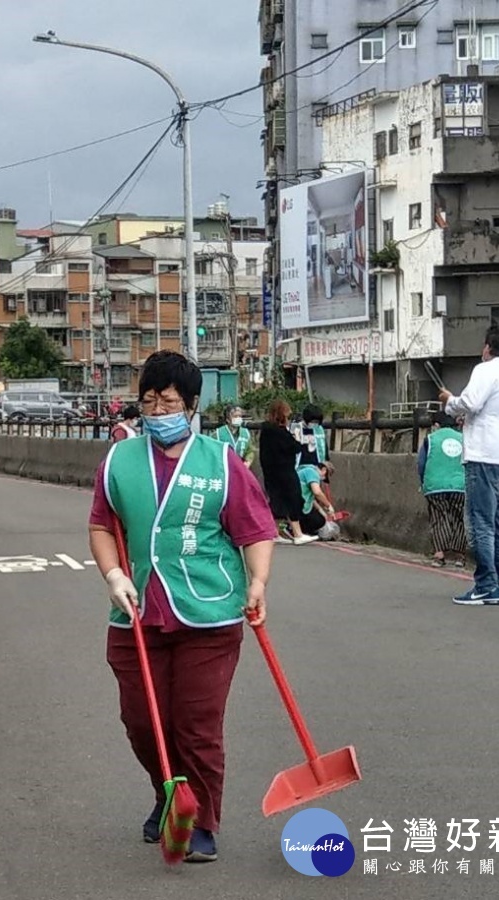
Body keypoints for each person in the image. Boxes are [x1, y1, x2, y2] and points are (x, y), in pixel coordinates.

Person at [89, 351, 277, 863]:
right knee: (143, 722)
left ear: (191, 406)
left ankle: (202, 819)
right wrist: (113, 575)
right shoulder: (120, 459)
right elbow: (103, 524)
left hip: (208, 613)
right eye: (148, 402)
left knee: (196, 724)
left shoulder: (220, 461)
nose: (156, 412)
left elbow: (255, 528)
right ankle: (169, 794)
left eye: (167, 402)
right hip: (136, 613)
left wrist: (257, 582)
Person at [439, 324, 499, 606]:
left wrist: (449, 402)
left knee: (481, 521)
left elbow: (470, 401)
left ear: (488, 348)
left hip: (483, 456)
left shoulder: (485, 370)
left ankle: (485, 584)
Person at [259, 400, 318, 545]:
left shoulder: (266, 430)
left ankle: (274, 532)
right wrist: (296, 439)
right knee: (293, 499)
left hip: (271, 472)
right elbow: (293, 447)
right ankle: (298, 534)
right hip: (284, 471)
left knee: (278, 502)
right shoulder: (278, 432)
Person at [417, 411, 467, 568]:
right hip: (460, 486)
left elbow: (421, 464)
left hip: (435, 485)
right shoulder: (463, 438)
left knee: (438, 518)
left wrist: (423, 482)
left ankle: (439, 555)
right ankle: (460, 556)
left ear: (436, 425)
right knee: (459, 519)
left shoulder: (430, 439)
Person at [296, 463, 338, 538]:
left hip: (298, 502)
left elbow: (310, 499)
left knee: (319, 519)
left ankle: (298, 529)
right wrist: (329, 506)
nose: (322, 479)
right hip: (297, 504)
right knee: (318, 521)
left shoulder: (307, 471)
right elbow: (317, 492)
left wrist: (321, 511)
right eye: (324, 477)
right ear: (324, 470)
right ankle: (295, 530)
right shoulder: (312, 472)